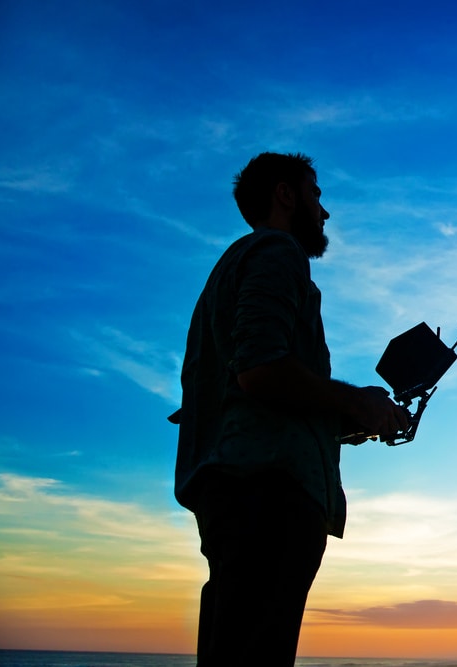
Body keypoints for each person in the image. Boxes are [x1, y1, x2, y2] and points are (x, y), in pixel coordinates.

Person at [172, 151, 408, 666]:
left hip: (241, 492)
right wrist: (356, 399)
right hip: (267, 496)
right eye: (316, 195)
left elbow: (256, 391)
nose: (324, 212)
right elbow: (261, 371)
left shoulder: (229, 271)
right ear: (286, 194)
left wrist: (361, 419)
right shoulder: (278, 252)